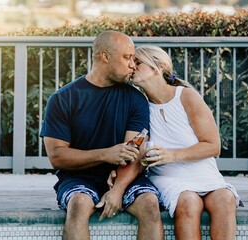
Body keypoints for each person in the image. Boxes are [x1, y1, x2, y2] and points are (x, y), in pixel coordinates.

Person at [40, 31, 164, 240]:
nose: (132, 65)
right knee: (78, 205)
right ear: (105, 57)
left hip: (125, 177)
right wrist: (104, 155)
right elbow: (57, 157)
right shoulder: (63, 99)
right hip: (78, 178)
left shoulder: (136, 99)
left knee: (150, 204)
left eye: (133, 59)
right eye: (126, 58)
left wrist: (117, 190)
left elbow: (135, 153)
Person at [110, 45, 242, 240]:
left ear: (159, 67)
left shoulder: (186, 96)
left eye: (138, 62)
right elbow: (136, 150)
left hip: (204, 172)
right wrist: (118, 170)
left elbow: (213, 146)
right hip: (168, 177)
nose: (132, 66)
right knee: (188, 201)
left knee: (225, 198)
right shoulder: (140, 106)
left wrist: (172, 155)